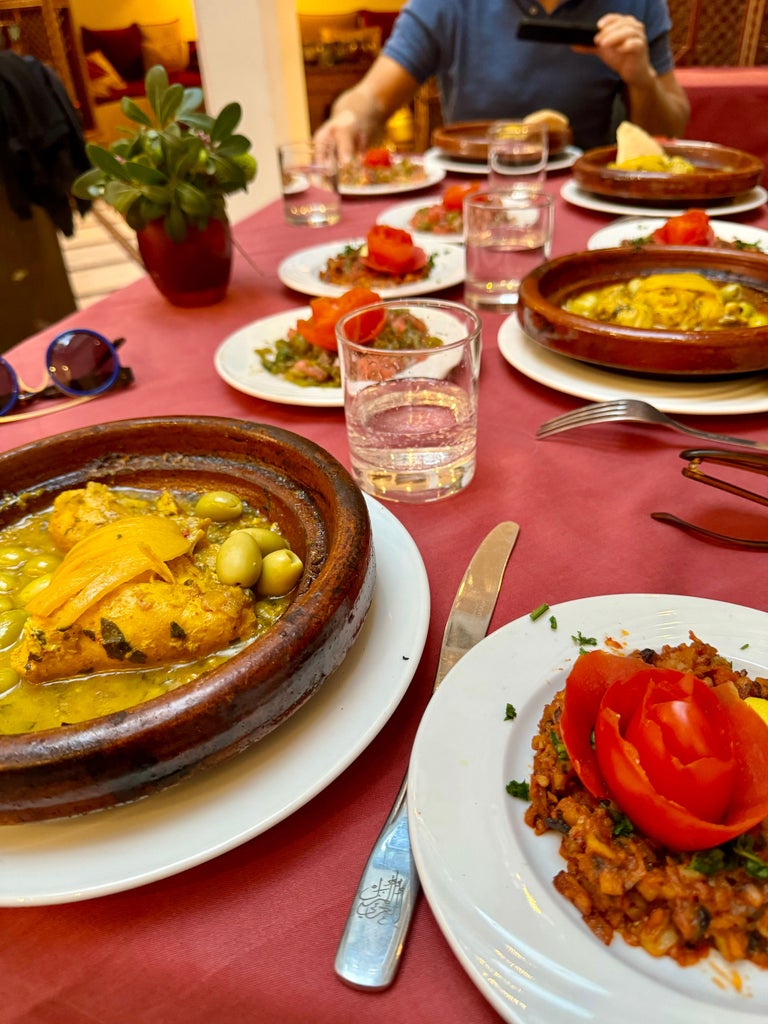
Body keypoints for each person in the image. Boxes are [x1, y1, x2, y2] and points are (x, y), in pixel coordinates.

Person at [314, 0, 690, 160]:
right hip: (473, 200)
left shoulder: (639, 3)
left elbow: (671, 127)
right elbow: (371, 99)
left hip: (589, 203)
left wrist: (641, 78)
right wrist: (348, 119)